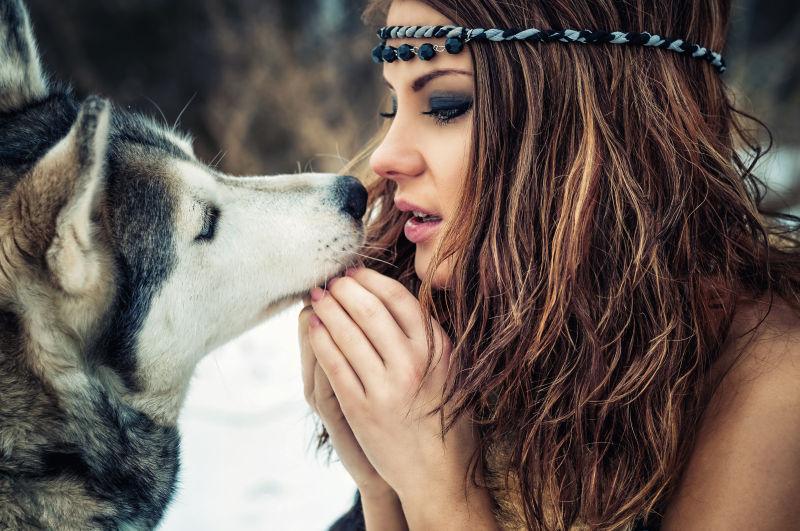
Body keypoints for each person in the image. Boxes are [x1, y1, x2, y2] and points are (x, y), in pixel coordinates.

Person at [298, 0, 800, 529]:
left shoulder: (773, 379)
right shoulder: (477, 319)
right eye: (391, 107)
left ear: (599, 117)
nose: (385, 156)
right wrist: (381, 488)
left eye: (446, 103)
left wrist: (439, 490)